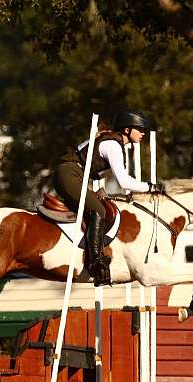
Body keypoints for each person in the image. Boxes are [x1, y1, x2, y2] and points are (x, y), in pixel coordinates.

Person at [53, 109, 165, 286]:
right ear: (127, 130)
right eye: (139, 129)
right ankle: (96, 262)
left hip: (77, 175)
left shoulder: (113, 141)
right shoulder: (113, 145)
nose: (143, 133)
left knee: (103, 203)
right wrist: (150, 187)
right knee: (99, 209)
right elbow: (124, 182)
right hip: (69, 173)